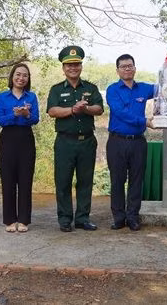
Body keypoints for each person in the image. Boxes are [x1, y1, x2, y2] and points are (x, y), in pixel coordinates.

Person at [46, 46, 104, 232]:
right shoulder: (56, 89)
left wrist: (85, 109)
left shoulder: (91, 88)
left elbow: (99, 109)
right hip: (65, 142)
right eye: (69, 65)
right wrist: (72, 109)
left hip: (87, 141)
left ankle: (83, 218)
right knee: (63, 181)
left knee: (85, 181)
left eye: (76, 64)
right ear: (63, 68)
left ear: (81, 66)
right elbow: (52, 111)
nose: (73, 68)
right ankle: (64, 218)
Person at [105, 54, 155, 231]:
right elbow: (121, 113)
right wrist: (145, 121)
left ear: (135, 68)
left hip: (138, 143)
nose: (127, 69)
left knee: (136, 180)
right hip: (117, 142)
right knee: (117, 180)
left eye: (130, 66)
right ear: (117, 70)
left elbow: (166, 89)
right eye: (123, 66)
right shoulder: (112, 90)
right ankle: (118, 217)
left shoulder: (144, 89)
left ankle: (133, 217)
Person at [0, 63, 39, 233]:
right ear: (12, 76)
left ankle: (24, 219)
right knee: (8, 180)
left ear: (28, 79)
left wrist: (27, 114)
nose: (21, 78)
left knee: (25, 180)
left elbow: (35, 119)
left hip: (26, 138)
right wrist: (14, 114)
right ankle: (9, 220)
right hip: (8, 138)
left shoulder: (32, 97)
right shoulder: (2, 97)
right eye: (18, 74)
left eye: (25, 76)